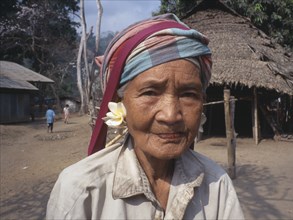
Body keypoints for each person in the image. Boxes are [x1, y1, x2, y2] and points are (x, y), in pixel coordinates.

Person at [46, 13, 244, 219]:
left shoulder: (217, 185)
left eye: (188, 94)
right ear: (121, 102)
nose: (170, 115)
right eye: (150, 92)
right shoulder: (81, 191)